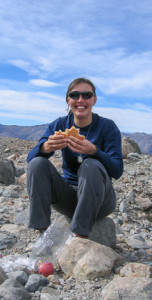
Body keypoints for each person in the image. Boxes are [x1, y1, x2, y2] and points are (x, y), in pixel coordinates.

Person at [27, 77, 123, 238]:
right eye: (74, 95)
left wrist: (94, 151)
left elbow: (117, 170)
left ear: (94, 100)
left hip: (100, 201)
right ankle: (42, 231)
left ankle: (81, 235)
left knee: (91, 164)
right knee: (37, 163)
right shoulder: (59, 125)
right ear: (68, 100)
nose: (80, 100)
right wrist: (45, 147)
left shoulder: (107, 127)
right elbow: (31, 160)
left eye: (86, 95)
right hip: (68, 199)